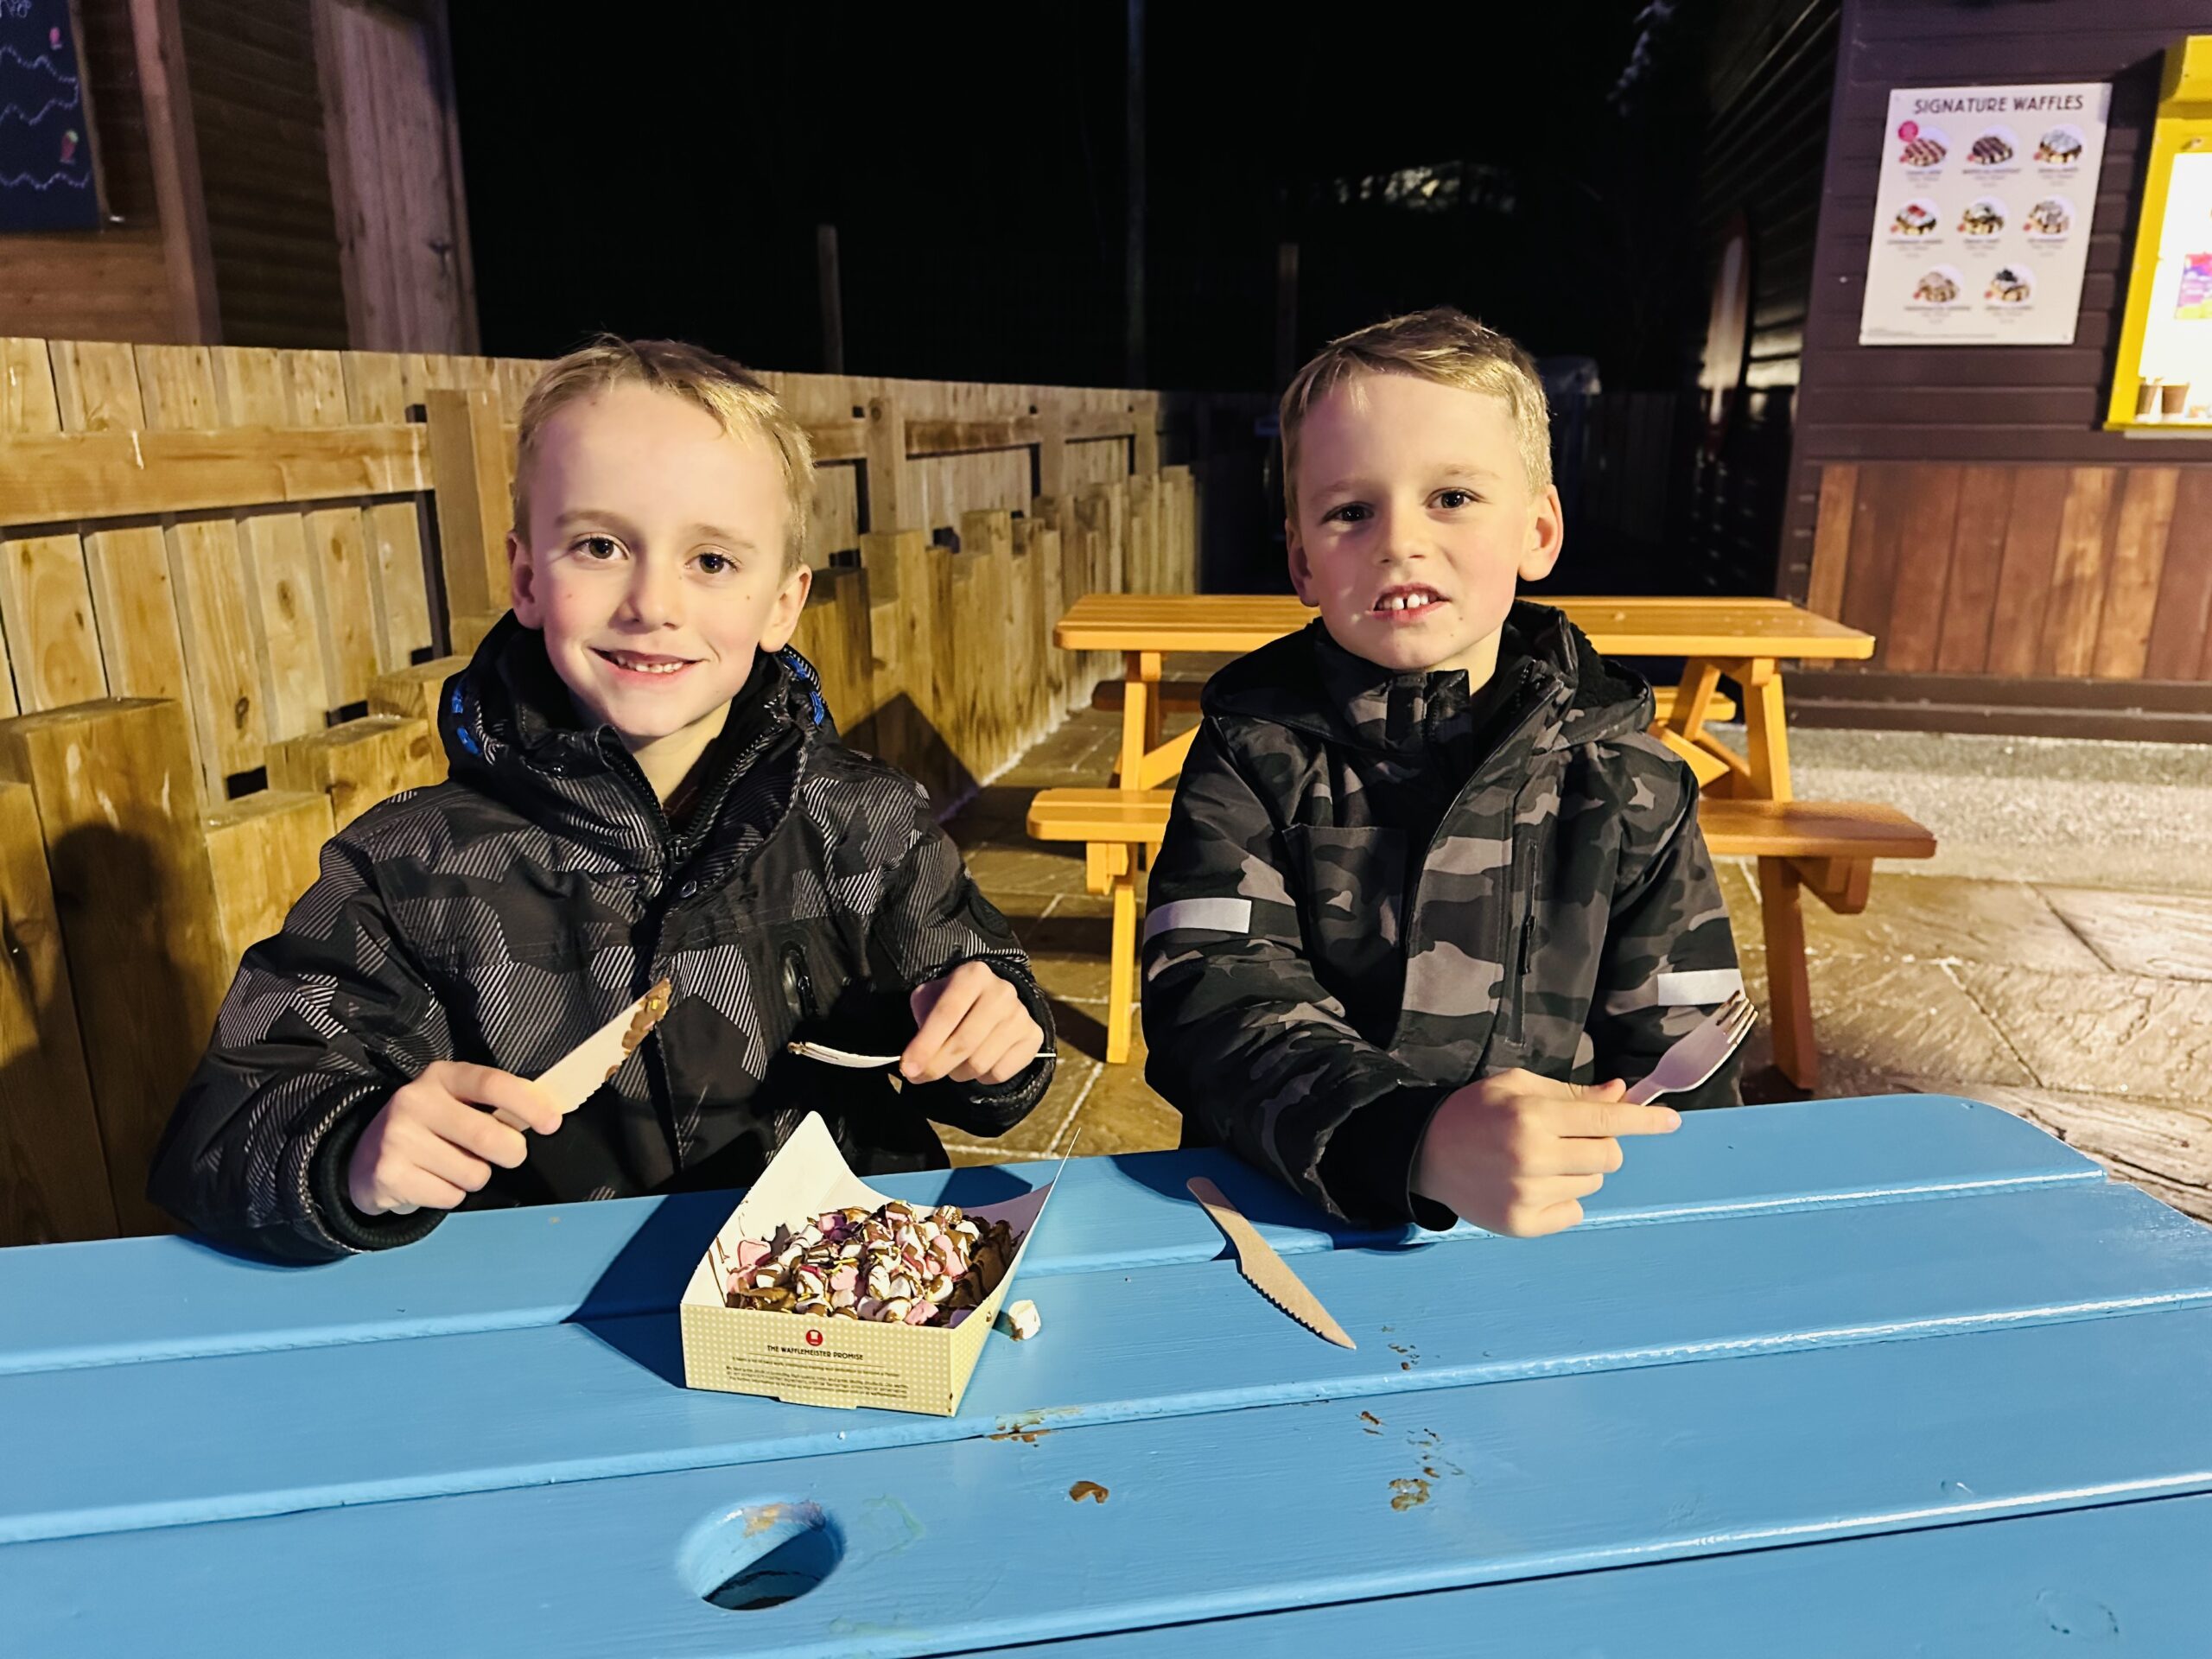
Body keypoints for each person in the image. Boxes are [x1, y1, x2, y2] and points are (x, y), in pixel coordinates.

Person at [150, 339, 1052, 1261]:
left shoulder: (868, 825)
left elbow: (993, 1033)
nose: (651, 602)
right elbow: (219, 1138)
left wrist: (997, 1034)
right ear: (527, 579)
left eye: (710, 560)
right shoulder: (405, 870)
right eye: (599, 546)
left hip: (845, 1293)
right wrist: (351, 1154)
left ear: (781, 604)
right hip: (551, 1314)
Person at [1141, 308, 1740, 1239]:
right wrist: (1404, 1137)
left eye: (1451, 497)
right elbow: (1211, 995)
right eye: (1350, 511)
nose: (1398, 541)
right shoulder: (1254, 750)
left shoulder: (1626, 779)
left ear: (1538, 530)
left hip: (1558, 1224)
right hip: (1291, 1215)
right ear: (1302, 560)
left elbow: (1687, 1052)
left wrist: (1692, 1221)